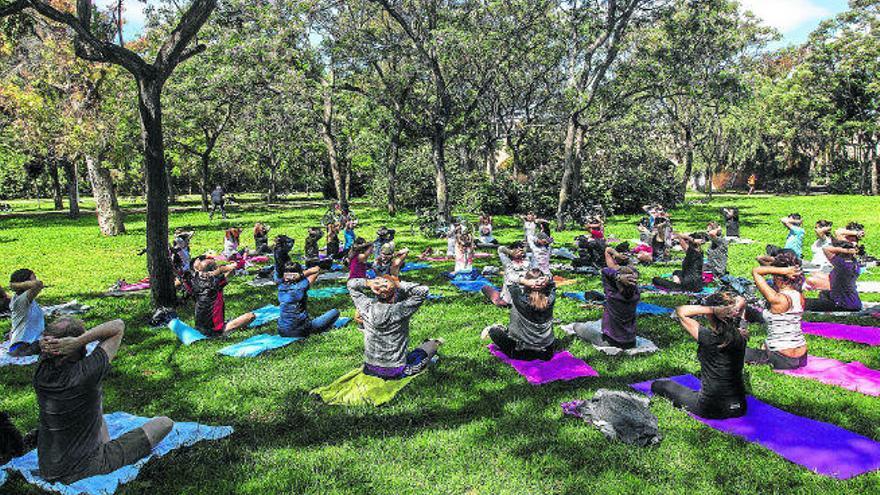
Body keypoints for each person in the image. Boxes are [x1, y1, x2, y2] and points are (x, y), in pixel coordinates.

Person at [34, 318, 173, 484]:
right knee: (165, 423)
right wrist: (78, 341)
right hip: (83, 469)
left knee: (96, 404)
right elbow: (118, 326)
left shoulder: (41, 371)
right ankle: (106, 450)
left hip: (48, 469)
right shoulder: (87, 373)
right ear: (72, 346)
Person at [651, 292, 748, 419]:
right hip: (739, 407)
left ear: (710, 315)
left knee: (659, 385)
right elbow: (742, 300)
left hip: (710, 408)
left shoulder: (707, 336)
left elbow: (681, 311)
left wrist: (712, 309)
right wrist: (731, 308)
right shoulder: (742, 334)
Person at [347, 276, 442, 379]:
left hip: (369, 369)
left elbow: (351, 284)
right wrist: (397, 283)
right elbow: (423, 290)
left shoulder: (365, 306)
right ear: (394, 293)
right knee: (432, 344)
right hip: (395, 371)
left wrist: (369, 283)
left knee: (414, 354)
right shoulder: (400, 310)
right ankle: (433, 344)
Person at [566, 247, 641, 350]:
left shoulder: (612, 295)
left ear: (617, 282)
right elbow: (608, 252)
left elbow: (605, 271)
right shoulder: (636, 294)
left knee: (577, 326)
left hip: (610, 342)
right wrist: (620, 260)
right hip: (631, 342)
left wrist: (618, 274)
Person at [746, 252, 807, 370]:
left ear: (778, 277)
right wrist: (784, 269)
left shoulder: (778, 299)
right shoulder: (799, 296)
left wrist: (783, 270)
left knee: (734, 351)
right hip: (801, 355)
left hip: (783, 358)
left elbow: (756, 271)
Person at [481, 269, 557, 361]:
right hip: (547, 353)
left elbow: (509, 278)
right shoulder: (550, 299)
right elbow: (552, 283)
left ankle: (500, 329)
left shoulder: (519, 299)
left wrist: (525, 281)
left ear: (527, 284)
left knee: (493, 331)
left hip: (521, 352)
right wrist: (545, 279)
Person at [191, 256, 256, 336]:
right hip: (214, 331)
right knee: (250, 316)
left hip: (199, 328)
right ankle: (224, 330)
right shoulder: (216, 283)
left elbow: (197, 267)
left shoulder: (196, 280)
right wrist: (222, 269)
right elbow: (231, 270)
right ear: (212, 271)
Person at [276, 262, 340, 338]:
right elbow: (316, 270)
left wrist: (290, 276)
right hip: (300, 331)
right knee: (335, 312)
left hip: (282, 331)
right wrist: (301, 275)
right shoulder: (302, 285)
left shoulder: (280, 285)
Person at [804, 240, 863, 312]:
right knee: (824, 293)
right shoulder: (854, 263)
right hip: (854, 302)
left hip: (843, 304)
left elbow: (826, 248)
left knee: (805, 302)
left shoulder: (841, 264)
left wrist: (846, 250)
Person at [6, 269, 45, 357]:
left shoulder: (26, 298)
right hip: (23, 346)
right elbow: (38, 284)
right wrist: (14, 285)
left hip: (30, 341)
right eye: (33, 279)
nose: (36, 280)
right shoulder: (21, 300)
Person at [482, 241, 531, 308]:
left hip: (524, 293)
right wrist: (511, 252)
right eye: (516, 249)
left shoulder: (526, 261)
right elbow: (500, 249)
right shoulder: (508, 262)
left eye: (521, 250)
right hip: (509, 296)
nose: (519, 252)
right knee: (486, 288)